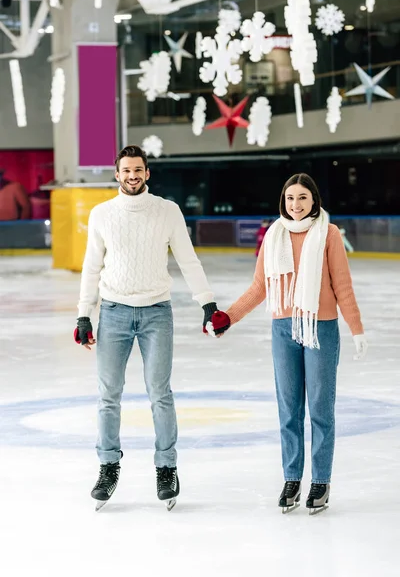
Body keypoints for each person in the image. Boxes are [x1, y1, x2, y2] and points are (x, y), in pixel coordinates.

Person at [74, 144, 228, 510]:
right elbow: (91, 266)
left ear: (147, 173)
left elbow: (188, 260)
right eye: (126, 170)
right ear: (117, 174)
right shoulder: (102, 214)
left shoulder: (167, 211)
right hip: (113, 312)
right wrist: (84, 314)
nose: (132, 176)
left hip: (157, 312)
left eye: (138, 170)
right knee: (109, 394)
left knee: (160, 392)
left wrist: (207, 303)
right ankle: (108, 466)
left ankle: (166, 467)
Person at [215, 173, 367, 514]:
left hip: (320, 329)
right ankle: (292, 478)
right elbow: (259, 289)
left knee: (320, 409)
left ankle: (320, 481)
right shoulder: (275, 236)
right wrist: (229, 316)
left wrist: (356, 328)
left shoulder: (328, 234)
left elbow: (342, 286)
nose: (295, 205)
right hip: (283, 329)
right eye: (289, 199)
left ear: (314, 200)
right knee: (289, 410)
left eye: (301, 198)